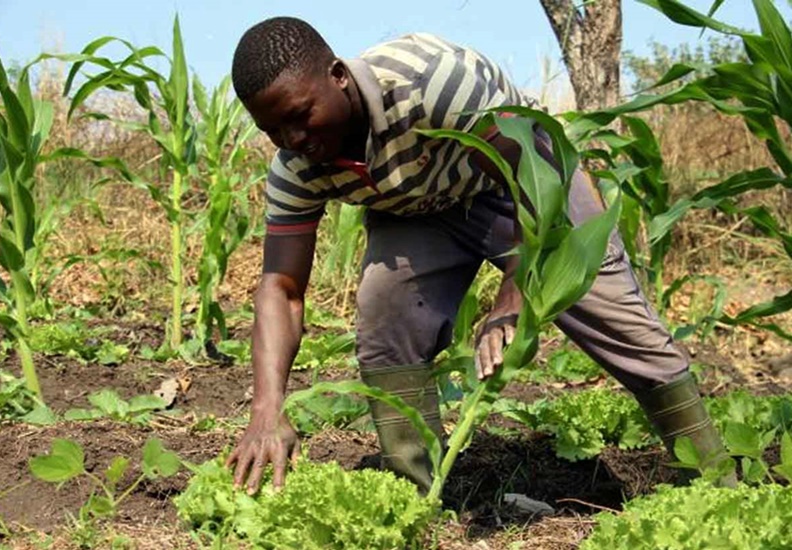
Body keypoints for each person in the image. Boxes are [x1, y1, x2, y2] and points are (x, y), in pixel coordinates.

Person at [226, 16, 734, 495]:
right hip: (417, 211)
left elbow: (536, 181)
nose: (293, 139)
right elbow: (282, 287)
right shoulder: (297, 165)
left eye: (299, 115)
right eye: (273, 130)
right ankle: (413, 493)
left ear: (337, 75)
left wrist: (512, 298)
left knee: (615, 315)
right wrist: (267, 410)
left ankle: (712, 479)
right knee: (385, 318)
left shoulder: (432, 81)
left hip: (524, 184)